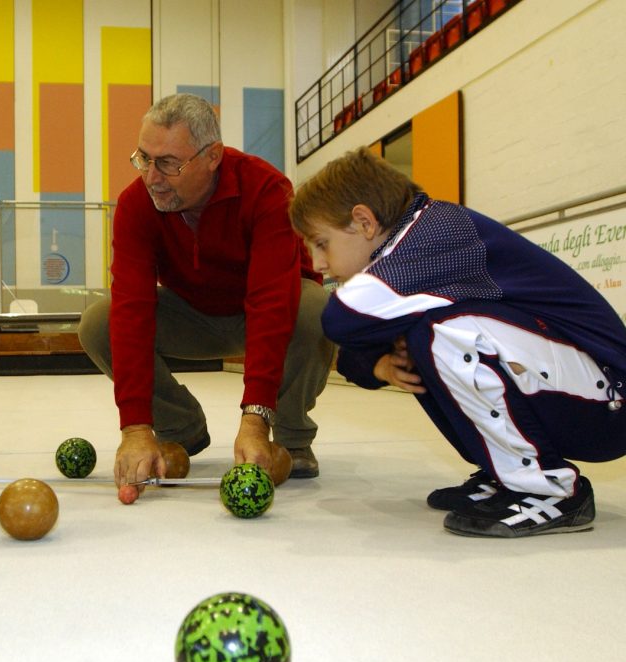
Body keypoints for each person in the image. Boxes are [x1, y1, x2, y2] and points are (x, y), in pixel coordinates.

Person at [289, 146, 626, 537]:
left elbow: (341, 319)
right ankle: (506, 474)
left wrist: (379, 349)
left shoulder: (436, 231)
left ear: (364, 222)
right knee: (420, 334)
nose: (317, 264)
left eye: (321, 243)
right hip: (579, 395)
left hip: (610, 402)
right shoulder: (414, 246)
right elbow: (352, 354)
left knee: (439, 330)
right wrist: (382, 364)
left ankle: (549, 490)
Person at [78, 93, 335, 503]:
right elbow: (132, 308)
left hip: (270, 314)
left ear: (213, 156)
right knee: (99, 321)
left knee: (315, 308)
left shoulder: (267, 189)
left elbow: (272, 302)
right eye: (143, 158)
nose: (151, 176)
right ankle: (182, 430)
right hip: (193, 316)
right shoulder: (135, 205)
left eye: (167, 163)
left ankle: (292, 436)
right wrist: (136, 427)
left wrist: (255, 420)